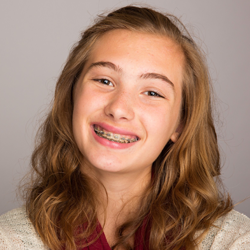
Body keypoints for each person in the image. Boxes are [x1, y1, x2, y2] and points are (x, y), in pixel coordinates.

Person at [0, 5, 249, 250]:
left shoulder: (233, 242)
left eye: (152, 92)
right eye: (104, 80)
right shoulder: (9, 240)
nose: (119, 109)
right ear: (71, 95)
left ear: (180, 124)